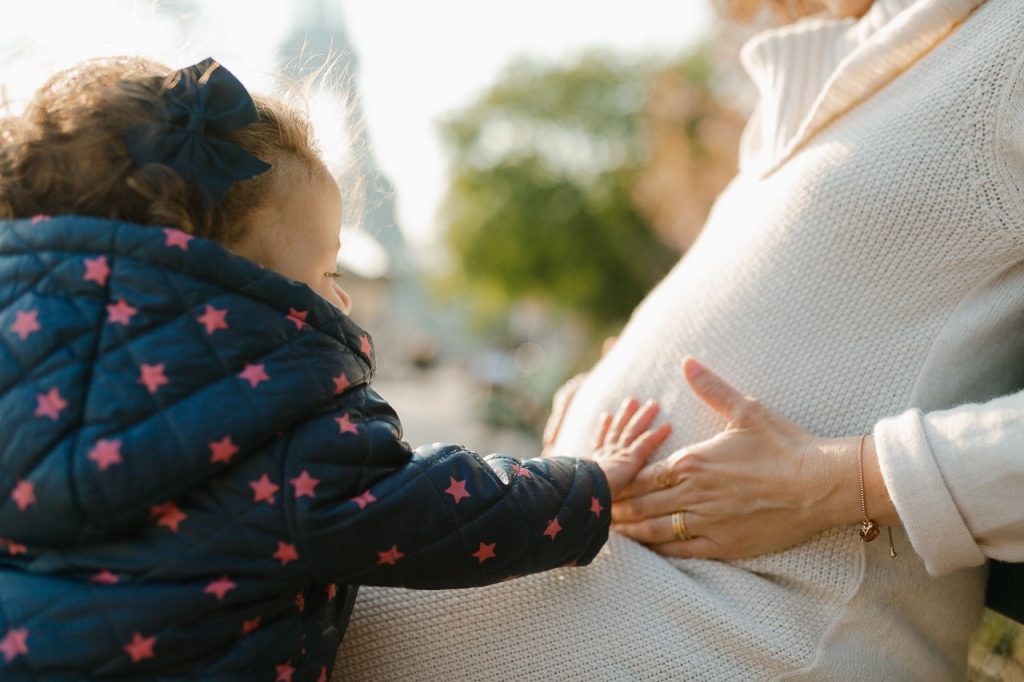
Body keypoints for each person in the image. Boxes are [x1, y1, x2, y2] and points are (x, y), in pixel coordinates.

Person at [335, 0, 1024, 679]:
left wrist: (839, 481)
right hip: (630, 570)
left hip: (772, 630)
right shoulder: (838, 65)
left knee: (291, 594)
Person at [0, 57, 674, 679]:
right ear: (228, 284)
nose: (343, 299)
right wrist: (586, 485)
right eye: (326, 270)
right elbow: (441, 510)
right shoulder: (277, 435)